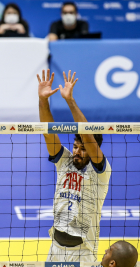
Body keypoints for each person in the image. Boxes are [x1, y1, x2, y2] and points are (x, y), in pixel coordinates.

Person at [38, 69, 112, 262]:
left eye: (84, 148)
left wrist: (69, 101)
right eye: (75, 146)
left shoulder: (101, 172)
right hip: (55, 250)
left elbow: (88, 136)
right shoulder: (65, 161)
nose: (78, 151)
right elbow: (48, 132)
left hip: (83, 253)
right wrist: (43, 100)